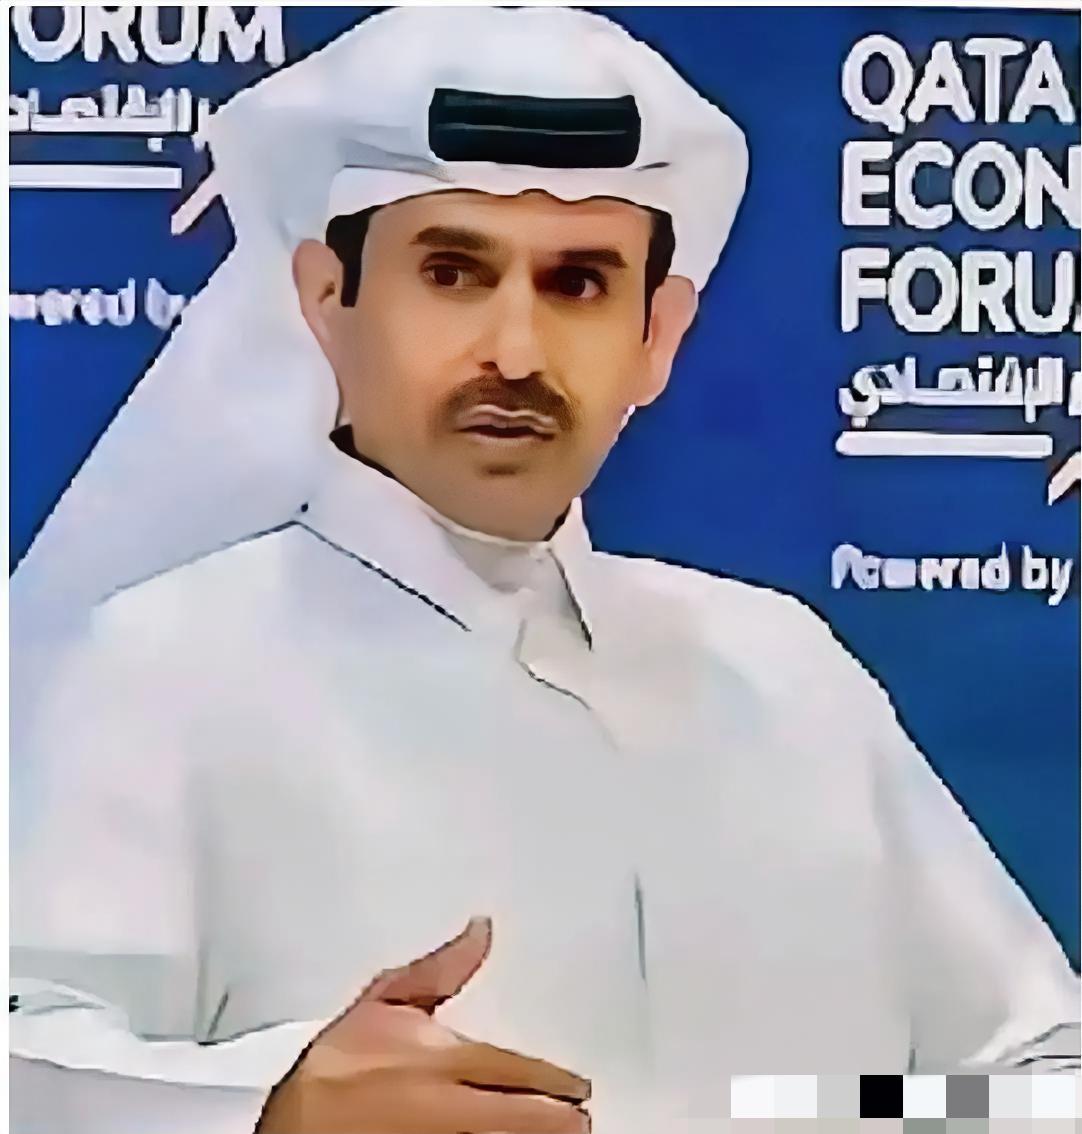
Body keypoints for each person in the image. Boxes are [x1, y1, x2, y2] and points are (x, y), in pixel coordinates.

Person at [9, 8, 1079, 1134]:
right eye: (453, 272)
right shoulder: (161, 666)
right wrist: (266, 1108)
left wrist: (815, 1119)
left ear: (656, 337)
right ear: (326, 300)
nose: (515, 352)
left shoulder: (783, 670)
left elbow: (1037, 1072)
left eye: (577, 285)